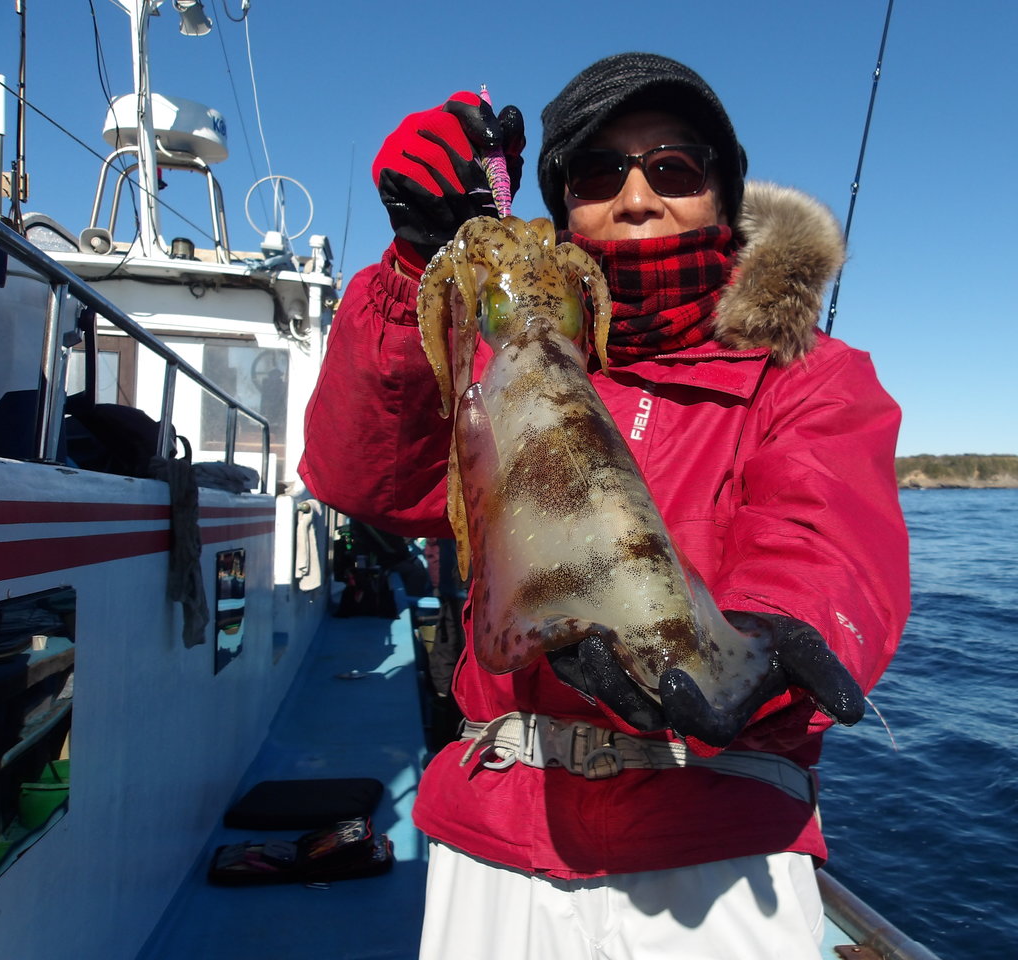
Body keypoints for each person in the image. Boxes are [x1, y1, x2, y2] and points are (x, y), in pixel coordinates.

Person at [300, 52, 910, 960]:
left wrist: (765, 635)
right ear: (563, 207)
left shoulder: (810, 377)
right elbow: (368, 479)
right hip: (498, 832)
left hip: (716, 842)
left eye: (674, 168)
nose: (636, 198)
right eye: (596, 173)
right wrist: (414, 266)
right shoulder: (494, 365)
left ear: (722, 195)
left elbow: (826, 537)